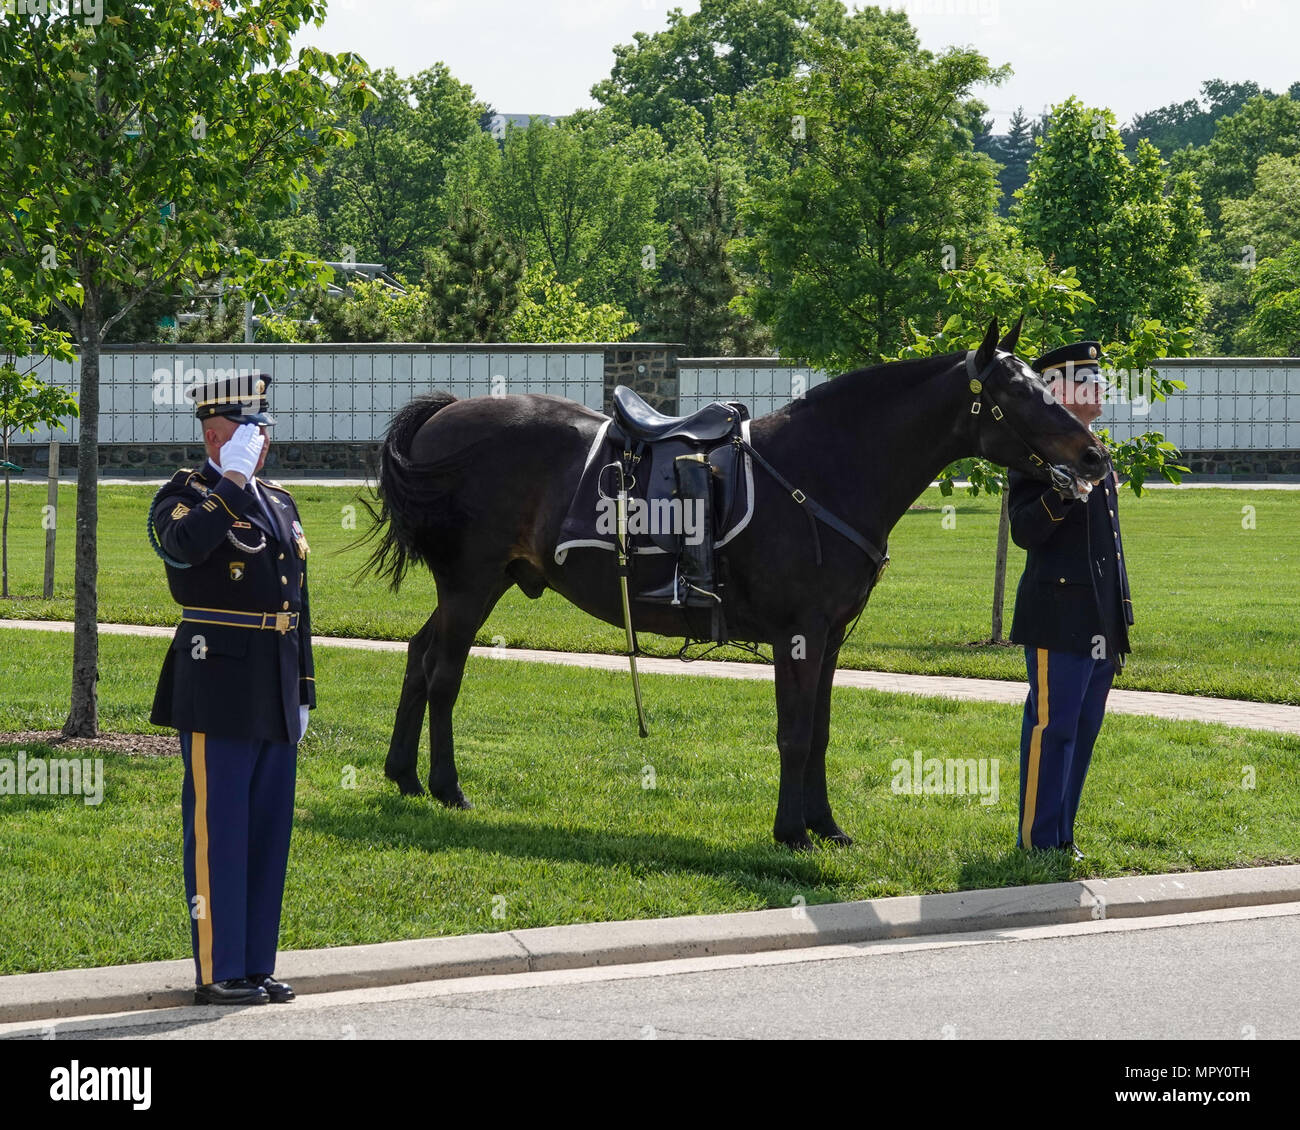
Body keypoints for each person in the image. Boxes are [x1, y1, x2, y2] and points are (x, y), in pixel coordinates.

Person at [147, 372, 315, 1005]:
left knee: (268, 829)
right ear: (216, 436)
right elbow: (183, 553)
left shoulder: (280, 501)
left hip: (272, 680)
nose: (260, 445)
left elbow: (295, 599)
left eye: (262, 435)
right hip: (216, 678)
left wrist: (303, 687)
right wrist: (231, 483)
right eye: (249, 434)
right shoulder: (183, 495)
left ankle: (254, 963)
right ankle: (218, 970)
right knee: (220, 829)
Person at [1008, 342, 1133, 861]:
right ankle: (1038, 841)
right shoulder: (1036, 451)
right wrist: (1061, 492)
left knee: (1083, 729)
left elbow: (1112, 547)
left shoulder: (1095, 448)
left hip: (1099, 618)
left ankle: (1063, 837)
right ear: (1061, 390)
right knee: (1052, 727)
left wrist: (1121, 618)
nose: (1101, 388)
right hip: (1057, 616)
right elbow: (1024, 530)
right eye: (1091, 380)